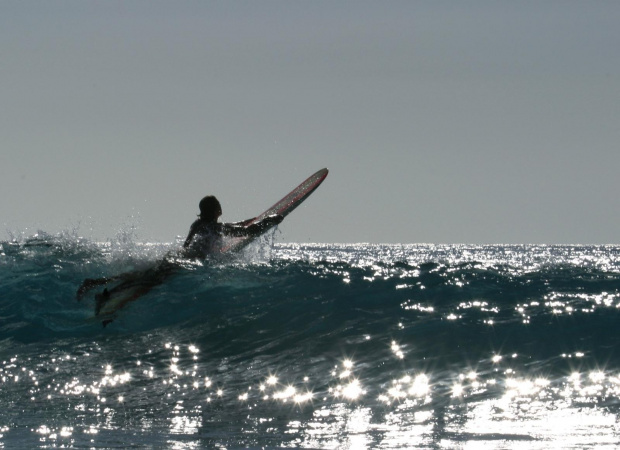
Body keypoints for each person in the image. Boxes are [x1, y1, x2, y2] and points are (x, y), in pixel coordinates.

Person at [182, 195, 283, 259]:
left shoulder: (198, 224)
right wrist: (269, 220)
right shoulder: (214, 228)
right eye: (218, 204)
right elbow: (247, 232)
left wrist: (245, 221)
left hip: (184, 257)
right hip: (195, 260)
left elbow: (229, 226)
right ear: (216, 210)